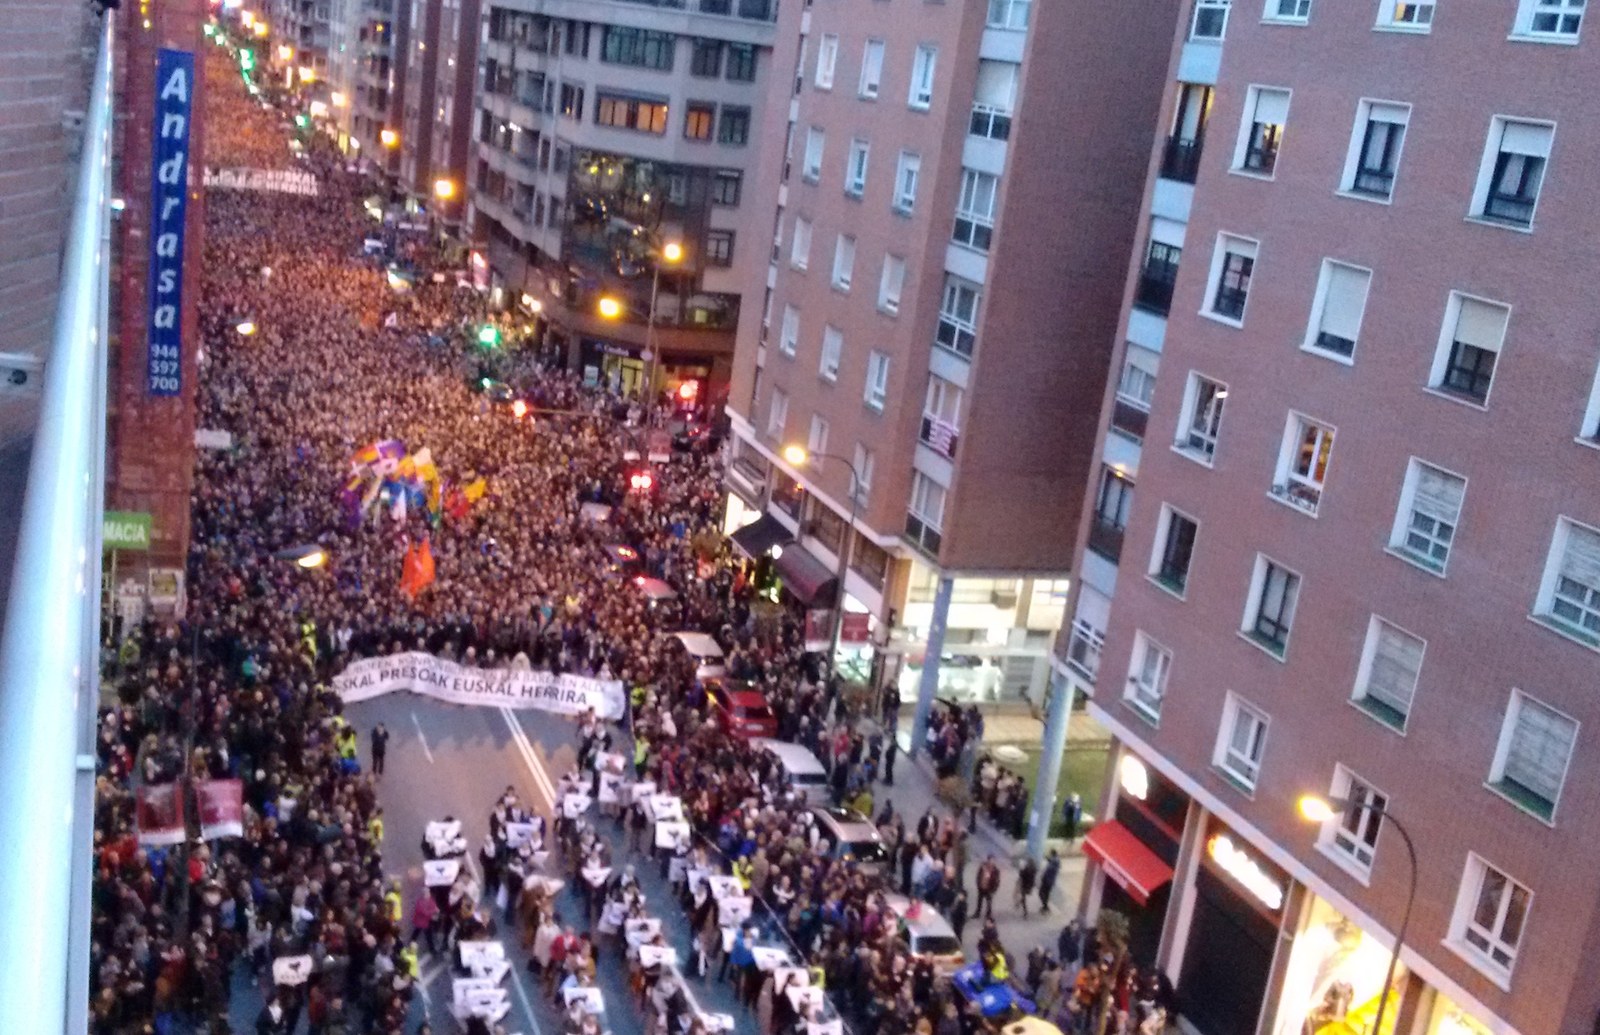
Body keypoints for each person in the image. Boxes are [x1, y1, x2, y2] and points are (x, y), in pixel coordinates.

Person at [1039, 847, 1061, 914]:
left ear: (1052, 854)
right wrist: (1048, 859)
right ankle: (1045, 907)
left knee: (1041, 893)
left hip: (1047, 881)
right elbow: (1051, 860)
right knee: (1046, 894)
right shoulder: (1055, 861)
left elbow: (1050, 867)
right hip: (1049, 881)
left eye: (1050, 854)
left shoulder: (1054, 863)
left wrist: (1043, 877)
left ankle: (1045, 907)